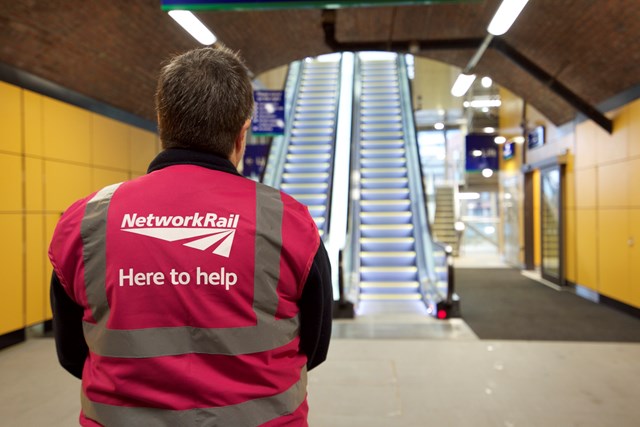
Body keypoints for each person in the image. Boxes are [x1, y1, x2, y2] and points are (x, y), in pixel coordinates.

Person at [48, 46, 333, 427]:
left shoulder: (86, 221)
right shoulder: (288, 221)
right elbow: (314, 346)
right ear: (242, 133)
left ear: (162, 124)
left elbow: (71, 352)